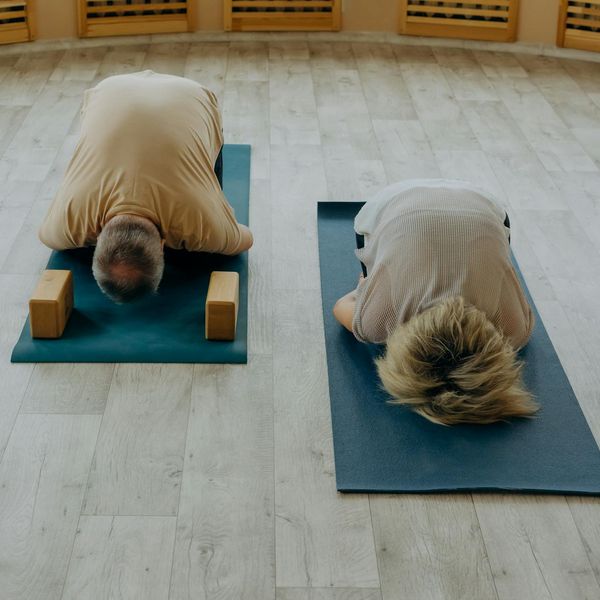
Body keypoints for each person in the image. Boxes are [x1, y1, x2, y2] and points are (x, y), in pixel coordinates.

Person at [333, 180, 538, 426]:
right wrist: (366, 287)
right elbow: (343, 304)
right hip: (390, 204)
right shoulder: (376, 324)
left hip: (480, 202)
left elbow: (508, 274)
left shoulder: (514, 331)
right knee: (371, 273)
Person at [39, 70, 253, 303]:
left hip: (191, 98)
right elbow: (245, 237)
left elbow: (244, 239)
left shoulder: (198, 219)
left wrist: (206, 231)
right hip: (112, 90)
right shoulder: (69, 220)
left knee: (206, 254)